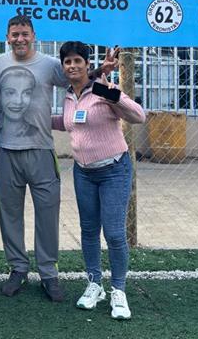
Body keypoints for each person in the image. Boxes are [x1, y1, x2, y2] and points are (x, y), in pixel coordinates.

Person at [0, 15, 118, 302]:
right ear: (7, 37)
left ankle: (48, 272)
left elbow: (77, 76)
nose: (20, 39)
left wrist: (101, 70)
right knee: (10, 214)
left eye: (25, 33)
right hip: (7, 150)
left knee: (47, 214)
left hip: (42, 150)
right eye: (14, 34)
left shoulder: (49, 65)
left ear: (33, 35)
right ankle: (18, 268)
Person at [52, 41, 145, 321]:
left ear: (87, 64)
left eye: (77, 61)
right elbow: (68, 122)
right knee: (89, 230)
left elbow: (138, 116)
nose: (72, 66)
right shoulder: (70, 96)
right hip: (83, 172)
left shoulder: (103, 90)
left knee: (114, 233)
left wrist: (113, 95)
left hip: (114, 170)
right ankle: (95, 284)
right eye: (67, 62)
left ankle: (118, 290)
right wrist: (36, 118)